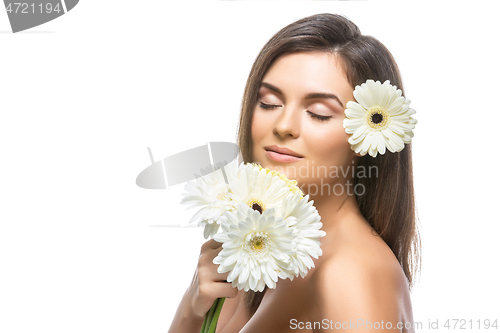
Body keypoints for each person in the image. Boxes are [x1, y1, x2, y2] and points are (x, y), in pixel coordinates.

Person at [169, 13, 420, 333]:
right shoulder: (253, 249)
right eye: (269, 103)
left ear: (367, 133)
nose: (284, 126)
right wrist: (193, 307)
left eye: (318, 113)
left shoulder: (351, 273)